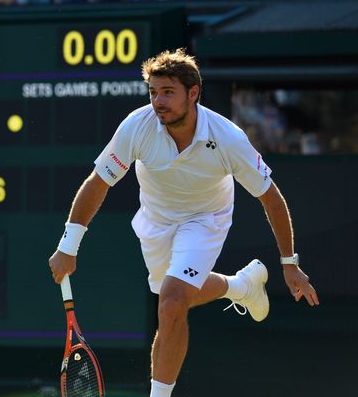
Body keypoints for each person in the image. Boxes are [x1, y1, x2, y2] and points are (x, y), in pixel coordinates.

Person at [48, 48, 320, 397]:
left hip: (205, 220)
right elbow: (97, 183)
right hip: (155, 222)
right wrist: (67, 247)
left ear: (193, 93)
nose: (158, 101)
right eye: (153, 92)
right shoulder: (137, 125)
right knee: (172, 296)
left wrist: (289, 263)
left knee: (173, 300)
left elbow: (271, 197)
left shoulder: (228, 138)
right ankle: (240, 286)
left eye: (167, 92)